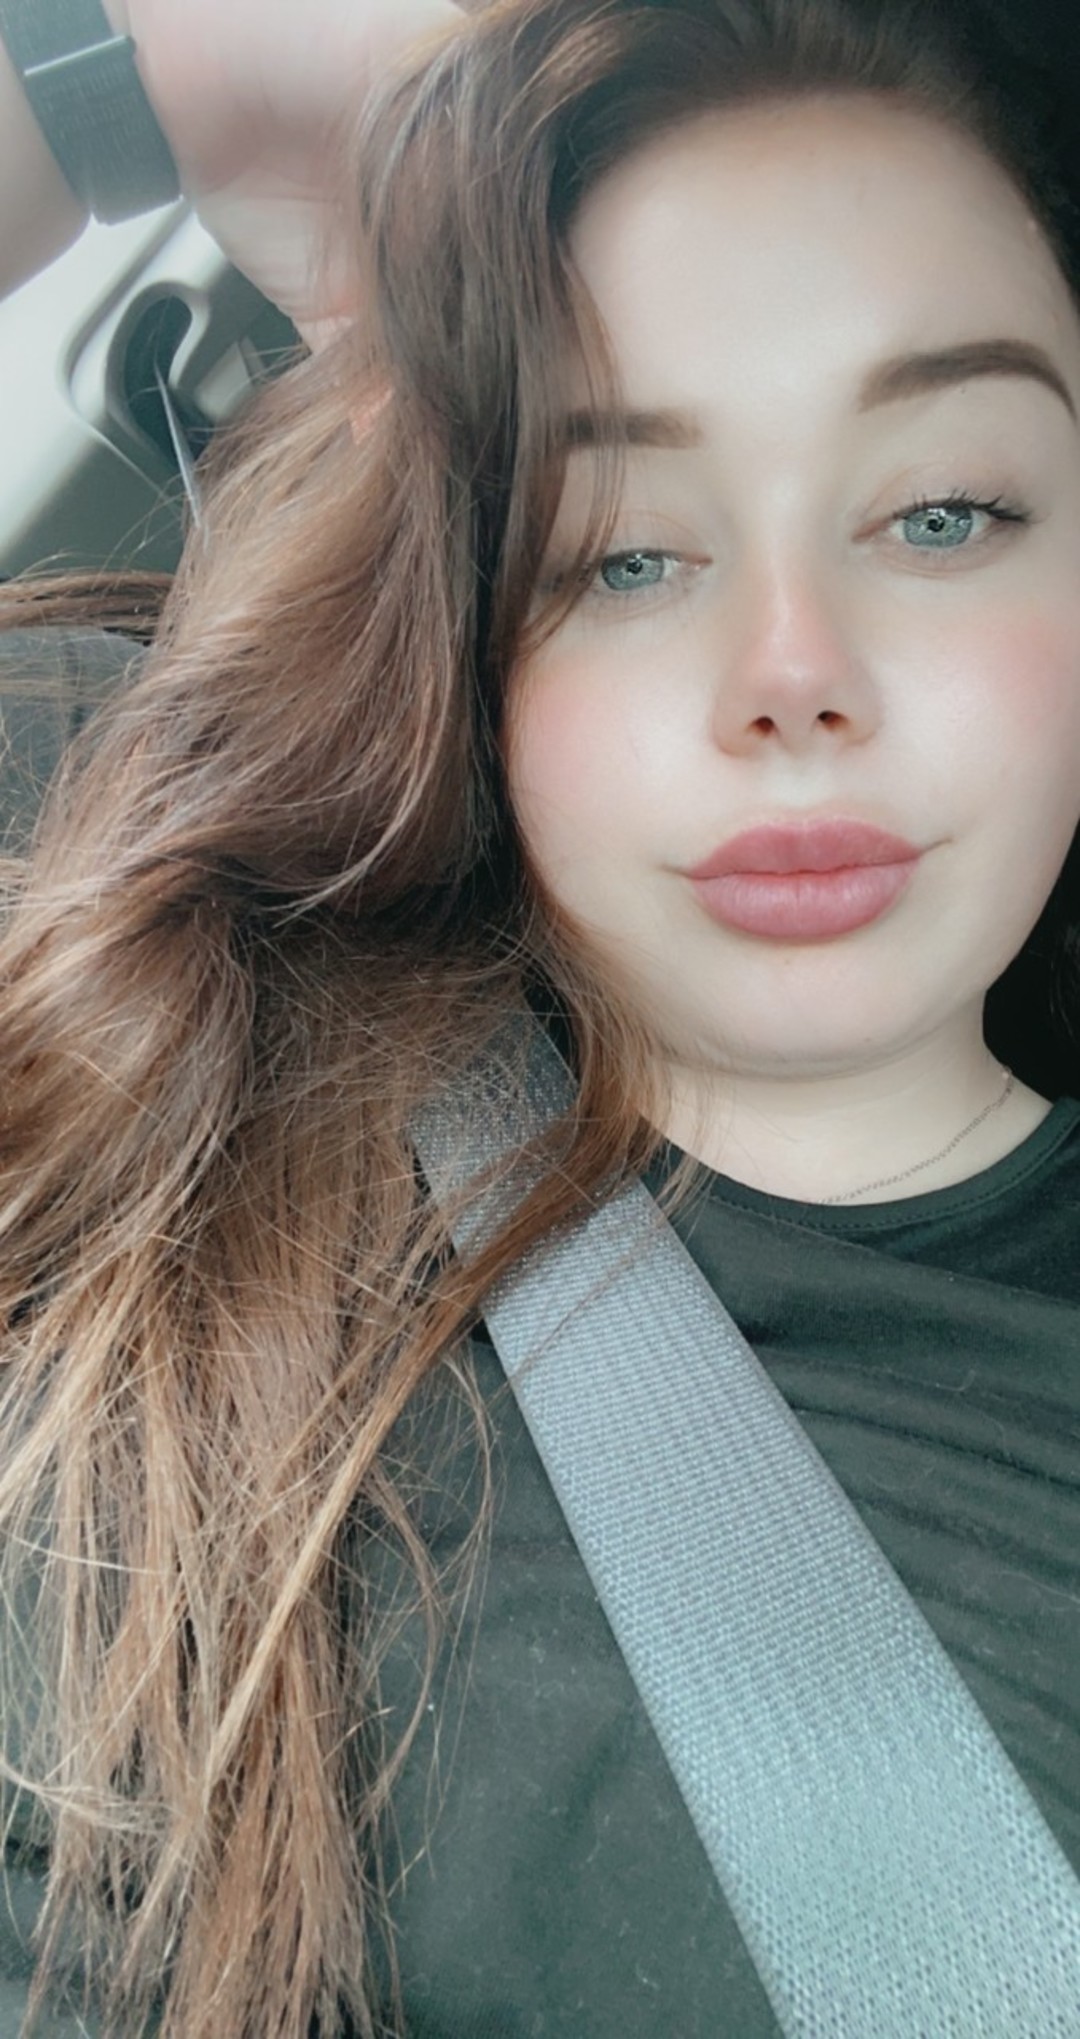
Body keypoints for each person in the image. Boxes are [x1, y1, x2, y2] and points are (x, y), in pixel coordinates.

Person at [0, 0, 1079, 2032]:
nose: (793, 674)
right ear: (469, 612)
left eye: (945, 513)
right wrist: (127, 76)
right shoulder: (115, 917)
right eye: (625, 550)